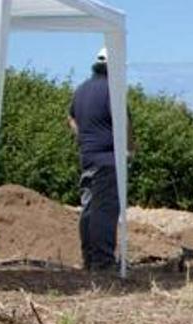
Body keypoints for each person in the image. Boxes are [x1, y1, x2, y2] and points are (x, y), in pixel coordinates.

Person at [68, 47, 131, 272]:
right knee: (105, 210)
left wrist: (85, 138)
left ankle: (89, 258)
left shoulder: (81, 89)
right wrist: (129, 149)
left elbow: (71, 119)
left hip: (87, 156)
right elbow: (123, 124)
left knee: (88, 208)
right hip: (108, 160)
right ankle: (103, 262)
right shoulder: (112, 91)